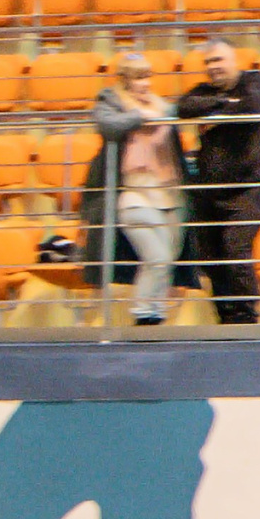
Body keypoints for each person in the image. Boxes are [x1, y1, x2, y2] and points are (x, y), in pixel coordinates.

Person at [80, 55, 189, 327]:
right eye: (139, 77)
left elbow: (180, 115)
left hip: (167, 192)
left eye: (147, 76)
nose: (145, 83)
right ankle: (142, 313)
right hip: (134, 193)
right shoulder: (112, 102)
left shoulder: (161, 105)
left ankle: (155, 315)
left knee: (166, 261)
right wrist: (139, 117)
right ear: (126, 81)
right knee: (158, 257)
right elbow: (107, 126)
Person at [175, 40, 260, 325]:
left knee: (235, 247)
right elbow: (184, 106)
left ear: (234, 60)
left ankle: (247, 314)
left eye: (219, 60)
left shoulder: (253, 81)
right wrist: (223, 103)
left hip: (245, 189)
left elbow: (253, 107)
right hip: (207, 191)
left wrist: (215, 113)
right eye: (209, 62)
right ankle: (226, 314)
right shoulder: (206, 91)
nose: (214, 67)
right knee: (210, 256)